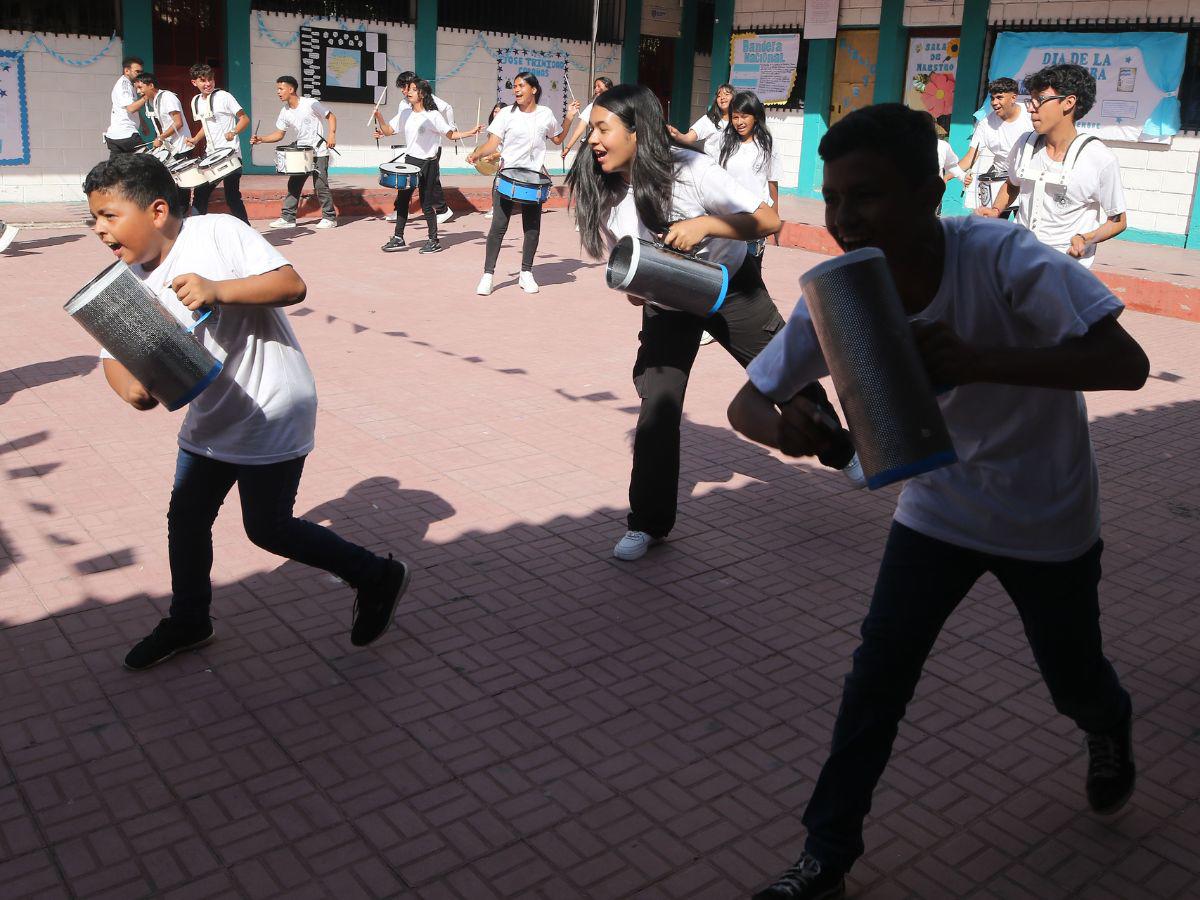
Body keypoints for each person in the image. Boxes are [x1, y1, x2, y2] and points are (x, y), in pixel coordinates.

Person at [728, 103, 1146, 900]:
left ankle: (1108, 722)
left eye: (867, 196)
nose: (844, 220)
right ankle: (825, 856)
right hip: (937, 511)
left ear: (929, 195)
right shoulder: (841, 293)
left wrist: (980, 360)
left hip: (1045, 515)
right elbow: (746, 403)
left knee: (1072, 679)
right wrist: (788, 430)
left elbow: (1126, 364)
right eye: (834, 198)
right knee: (876, 680)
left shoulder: (1002, 256)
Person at [81, 153, 412, 670]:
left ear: (157, 211)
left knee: (268, 528)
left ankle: (377, 575)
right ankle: (190, 620)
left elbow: (291, 285)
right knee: (187, 519)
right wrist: (132, 390)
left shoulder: (216, 232)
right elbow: (112, 357)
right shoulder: (126, 286)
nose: (99, 229)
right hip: (211, 419)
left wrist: (218, 290)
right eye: (94, 219)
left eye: (109, 216)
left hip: (272, 407)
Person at [566, 84, 851, 562]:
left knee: (783, 374)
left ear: (636, 132)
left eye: (601, 129)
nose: (592, 139)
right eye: (591, 130)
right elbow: (631, 268)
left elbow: (767, 221)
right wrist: (637, 285)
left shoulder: (691, 169)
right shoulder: (606, 192)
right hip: (669, 304)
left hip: (732, 286)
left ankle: (841, 451)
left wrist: (704, 225)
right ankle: (648, 523)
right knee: (657, 411)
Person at [981, 64, 1126, 267]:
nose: (1030, 108)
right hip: (1021, 258)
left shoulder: (1099, 158)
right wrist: (996, 210)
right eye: (1030, 100)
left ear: (1068, 102)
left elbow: (1118, 220)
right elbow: (1012, 184)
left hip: (1065, 268)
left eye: (1040, 100)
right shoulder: (1024, 144)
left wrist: (1085, 238)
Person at [467, 72, 578, 295]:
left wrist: (569, 117)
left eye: (521, 86)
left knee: (532, 228)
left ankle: (526, 273)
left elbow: (557, 138)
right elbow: (492, 143)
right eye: (515, 86)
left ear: (533, 89)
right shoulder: (506, 114)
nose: (516, 90)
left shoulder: (545, 114)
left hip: (533, 179)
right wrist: (477, 153)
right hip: (506, 176)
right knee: (498, 226)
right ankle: (488, 275)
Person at [372, 78, 481, 253]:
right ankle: (398, 237)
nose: (408, 92)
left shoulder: (433, 115)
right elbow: (388, 131)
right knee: (402, 200)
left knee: (426, 203)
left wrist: (471, 132)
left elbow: (451, 135)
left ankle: (433, 240)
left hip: (428, 164)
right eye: (408, 89)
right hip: (410, 162)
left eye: (413, 89)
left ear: (422, 94)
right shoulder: (405, 114)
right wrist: (379, 117)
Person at [251, 75, 339, 230]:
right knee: (294, 184)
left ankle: (329, 218)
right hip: (302, 152)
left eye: (281, 89)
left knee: (320, 185)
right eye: (277, 89)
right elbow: (279, 134)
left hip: (319, 150)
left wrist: (331, 135)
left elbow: (331, 116)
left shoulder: (310, 103)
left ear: (291, 89)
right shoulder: (284, 111)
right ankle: (288, 218)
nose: (278, 92)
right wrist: (261, 139)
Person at [711, 90, 783, 267]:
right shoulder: (724, 142)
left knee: (752, 271)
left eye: (744, 116)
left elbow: (772, 182)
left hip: (755, 219)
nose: (739, 122)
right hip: (729, 218)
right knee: (725, 272)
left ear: (755, 116)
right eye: (735, 117)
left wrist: (774, 220)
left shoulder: (767, 144)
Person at [383, 71, 457, 225]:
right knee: (409, 181)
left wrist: (451, 126)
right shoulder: (404, 104)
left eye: (405, 87)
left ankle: (441, 211)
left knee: (430, 182)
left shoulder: (427, 97)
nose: (403, 91)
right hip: (414, 150)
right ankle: (402, 210)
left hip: (431, 148)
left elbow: (448, 108)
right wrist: (385, 132)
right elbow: (400, 125)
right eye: (403, 88)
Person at [186, 64, 251, 224]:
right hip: (211, 155)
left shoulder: (224, 96)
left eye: (210, 79)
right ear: (194, 82)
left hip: (231, 154)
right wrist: (195, 139)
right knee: (200, 193)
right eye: (203, 81)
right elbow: (206, 125)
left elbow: (244, 119)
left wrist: (233, 132)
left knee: (232, 197)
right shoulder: (196, 101)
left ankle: (246, 229)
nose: (208, 84)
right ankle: (197, 228)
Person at [959, 77, 1032, 216]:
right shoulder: (985, 124)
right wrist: (948, 174)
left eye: (999, 97)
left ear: (1013, 97)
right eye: (992, 98)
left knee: (1024, 226)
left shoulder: (1031, 116)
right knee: (994, 224)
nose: (994, 103)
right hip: (1001, 183)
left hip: (1028, 183)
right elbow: (970, 157)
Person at [135, 72, 195, 210]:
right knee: (171, 182)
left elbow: (178, 122)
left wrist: (161, 137)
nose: (139, 92)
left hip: (181, 147)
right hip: (170, 147)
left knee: (182, 184)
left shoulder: (168, 97)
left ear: (151, 85)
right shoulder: (153, 101)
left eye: (140, 87)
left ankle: (183, 212)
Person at [562, 76, 614, 164]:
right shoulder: (592, 106)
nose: (596, 89)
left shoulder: (617, 106)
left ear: (608, 88)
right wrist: (568, 147)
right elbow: (580, 127)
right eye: (595, 87)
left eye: (599, 86)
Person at [669, 84, 734, 153]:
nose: (722, 98)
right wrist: (678, 135)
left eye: (726, 94)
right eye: (719, 96)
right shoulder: (709, 119)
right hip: (712, 160)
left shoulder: (738, 120)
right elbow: (688, 138)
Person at [104, 56, 148, 158]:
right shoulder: (124, 86)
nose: (140, 75)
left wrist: (143, 123)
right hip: (126, 134)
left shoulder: (130, 85)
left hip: (115, 136)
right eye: (137, 72)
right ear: (127, 71)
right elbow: (131, 108)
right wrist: (147, 96)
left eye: (141, 72)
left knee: (118, 166)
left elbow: (132, 108)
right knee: (148, 162)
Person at [480, 102, 506, 220]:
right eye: (495, 111)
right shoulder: (492, 129)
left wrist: (493, 156)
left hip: (509, 161)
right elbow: (490, 147)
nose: (497, 114)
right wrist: (477, 155)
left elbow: (509, 149)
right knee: (497, 184)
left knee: (498, 184)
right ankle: (497, 208)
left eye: (500, 112)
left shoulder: (508, 128)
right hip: (500, 162)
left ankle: (496, 208)